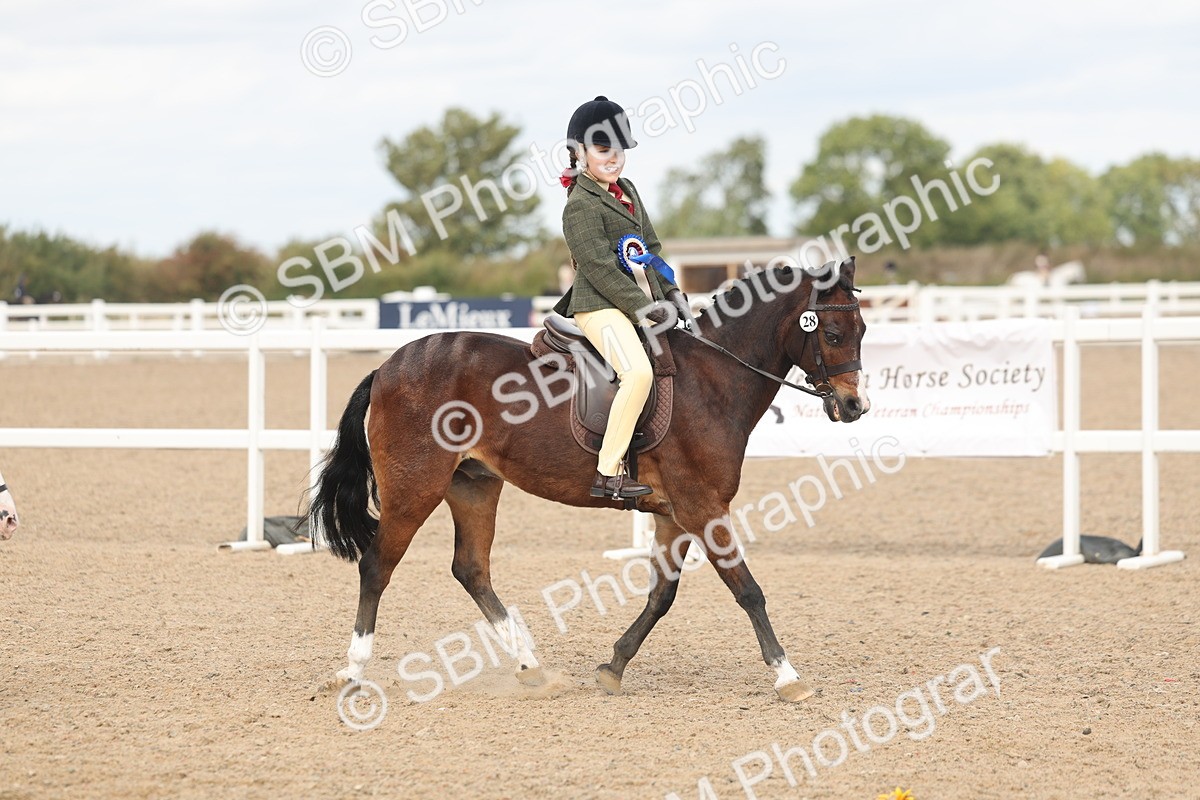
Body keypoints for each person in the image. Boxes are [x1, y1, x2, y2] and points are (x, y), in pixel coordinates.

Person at [553, 96, 686, 500]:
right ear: (579, 153)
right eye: (603, 149)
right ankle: (607, 472)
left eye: (620, 150)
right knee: (638, 373)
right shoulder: (580, 205)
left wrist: (671, 291)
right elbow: (599, 267)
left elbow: (651, 248)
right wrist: (644, 309)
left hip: (633, 303)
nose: (614, 158)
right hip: (598, 307)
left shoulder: (627, 190)